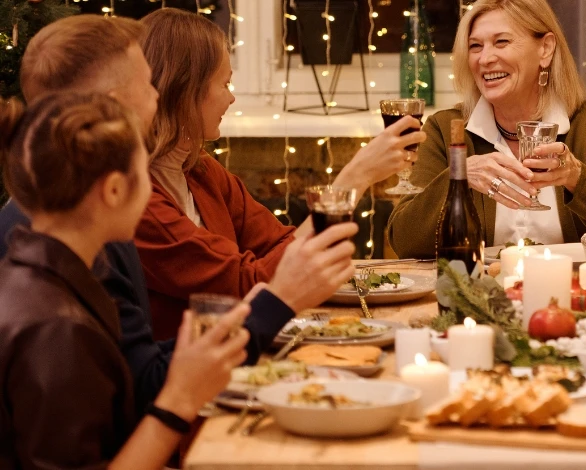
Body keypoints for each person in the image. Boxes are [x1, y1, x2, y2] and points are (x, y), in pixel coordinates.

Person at [1, 14, 355, 415]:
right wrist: (280, 296)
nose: (156, 93)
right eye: (146, 81)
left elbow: (143, 365)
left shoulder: (96, 217)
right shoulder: (104, 224)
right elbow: (144, 394)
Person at [135, 8, 424, 338]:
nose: (231, 97)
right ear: (185, 90)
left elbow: (279, 243)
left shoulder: (199, 169)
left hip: (242, 347)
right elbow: (248, 285)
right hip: (190, 372)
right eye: (225, 83)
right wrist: (352, 180)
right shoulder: (140, 202)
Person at [0, 92, 249, 469]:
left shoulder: (50, 273)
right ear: (115, 190)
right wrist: (180, 397)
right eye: (144, 174)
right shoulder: (56, 330)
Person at [387, 0, 586, 256]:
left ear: (545, 49)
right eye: (475, 46)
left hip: (573, 292)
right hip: (479, 293)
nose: (485, 58)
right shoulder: (446, 128)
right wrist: (460, 178)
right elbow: (406, 242)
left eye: (501, 42)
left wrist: (576, 178)